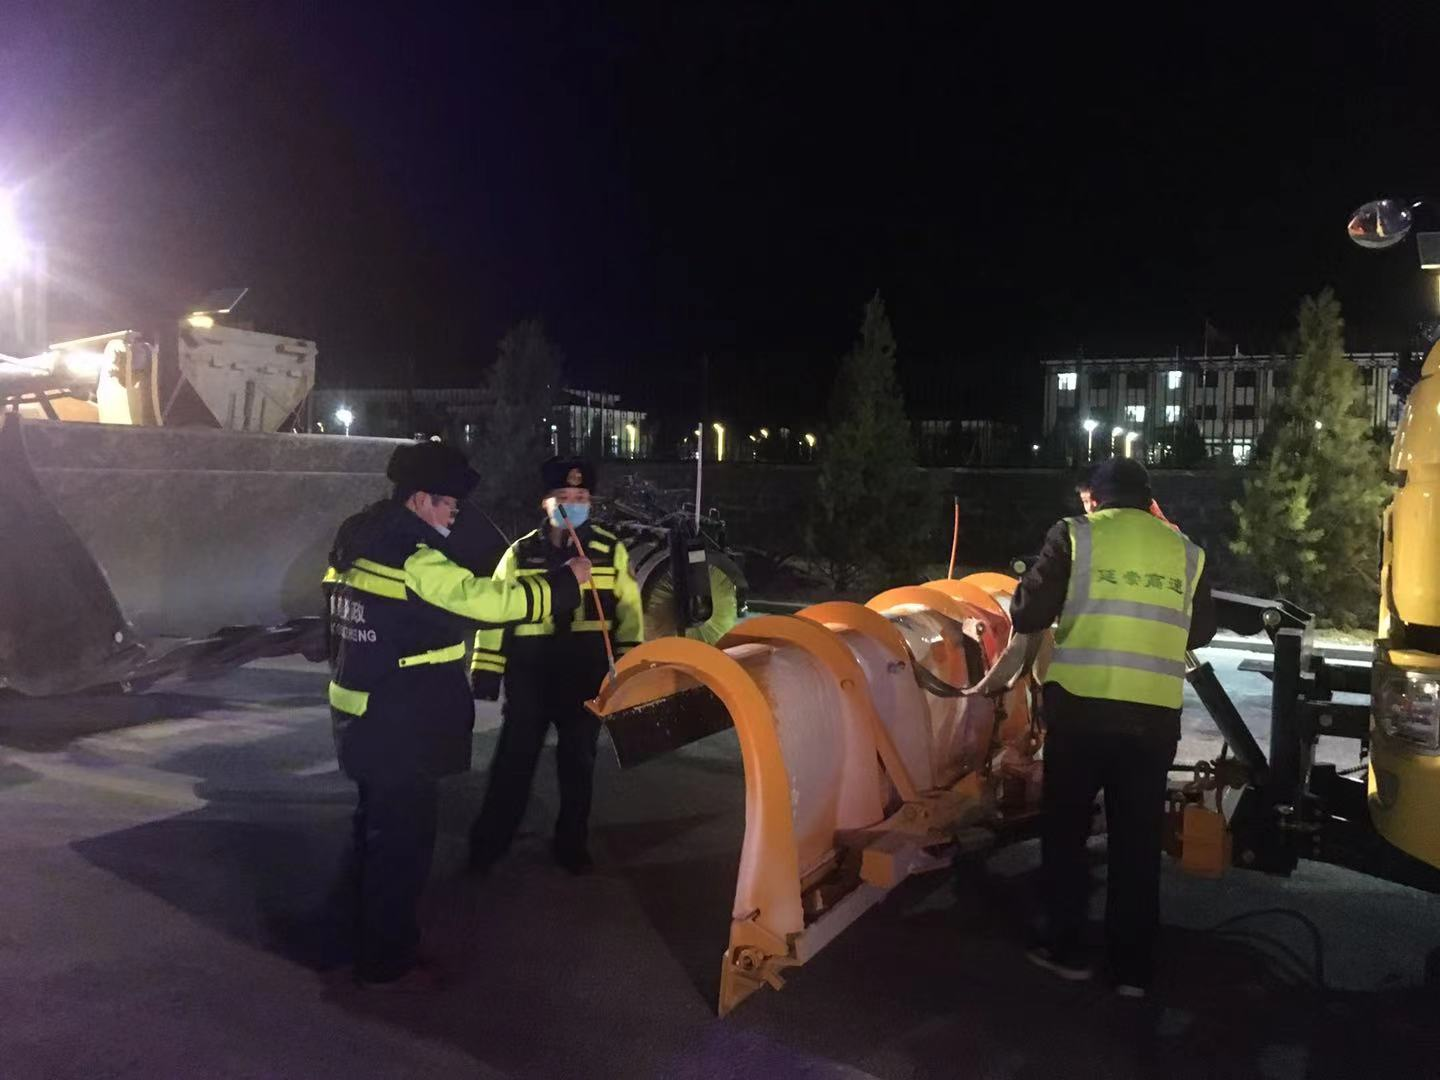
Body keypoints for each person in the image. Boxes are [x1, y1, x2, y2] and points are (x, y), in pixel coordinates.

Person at [323, 441, 590, 989]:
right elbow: (485, 602)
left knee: (374, 831)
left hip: (360, 708)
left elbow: (334, 608)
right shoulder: (415, 557)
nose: (453, 515)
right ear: (420, 499)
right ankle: (386, 959)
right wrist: (566, 584)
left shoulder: (357, 536)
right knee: (402, 844)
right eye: (448, 504)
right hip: (401, 719)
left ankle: (354, 934)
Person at [1011, 457, 1215, 997]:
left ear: (1097, 498)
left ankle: (1065, 947)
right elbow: (1202, 630)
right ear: (1148, 500)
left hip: (1081, 713)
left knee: (1067, 833)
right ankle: (1132, 969)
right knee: (1137, 843)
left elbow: (1028, 614)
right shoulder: (1186, 550)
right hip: (1152, 721)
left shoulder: (1075, 535)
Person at [468, 456, 643, 875]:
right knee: (513, 761)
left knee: (578, 764)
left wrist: (630, 671)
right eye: (562, 496)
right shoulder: (520, 553)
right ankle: (489, 845)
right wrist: (487, 667)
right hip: (530, 674)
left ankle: (571, 844)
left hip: (585, 674)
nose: (572, 504)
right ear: (545, 502)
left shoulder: (610, 550)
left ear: (591, 502)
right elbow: (496, 611)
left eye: (580, 496)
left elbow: (630, 614)